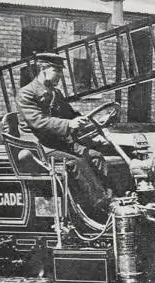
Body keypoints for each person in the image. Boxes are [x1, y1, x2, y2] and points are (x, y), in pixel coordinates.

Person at [17, 53, 113, 219]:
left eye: (61, 71)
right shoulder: (26, 94)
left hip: (60, 143)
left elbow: (71, 114)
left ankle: (110, 199)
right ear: (44, 69)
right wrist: (68, 124)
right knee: (76, 163)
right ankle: (100, 208)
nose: (60, 76)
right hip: (40, 147)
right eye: (57, 71)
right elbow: (38, 122)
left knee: (96, 157)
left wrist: (93, 121)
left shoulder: (56, 93)